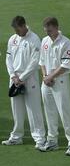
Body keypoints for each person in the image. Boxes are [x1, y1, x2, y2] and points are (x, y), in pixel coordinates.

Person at [2, 16, 46, 148]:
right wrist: (13, 76)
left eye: (17, 29)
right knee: (16, 109)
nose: (16, 32)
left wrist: (22, 78)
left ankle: (39, 138)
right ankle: (16, 137)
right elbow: (8, 58)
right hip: (15, 79)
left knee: (34, 109)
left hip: (29, 78)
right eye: (14, 29)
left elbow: (35, 62)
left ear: (23, 25)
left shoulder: (34, 39)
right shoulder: (13, 39)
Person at [38, 17, 70, 155]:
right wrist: (45, 76)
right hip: (46, 82)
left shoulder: (65, 42)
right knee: (49, 112)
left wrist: (51, 76)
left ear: (56, 27)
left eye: (50, 30)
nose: (48, 33)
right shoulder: (45, 41)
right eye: (46, 30)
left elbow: (66, 65)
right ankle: (52, 140)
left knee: (64, 112)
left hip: (60, 82)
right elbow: (42, 61)